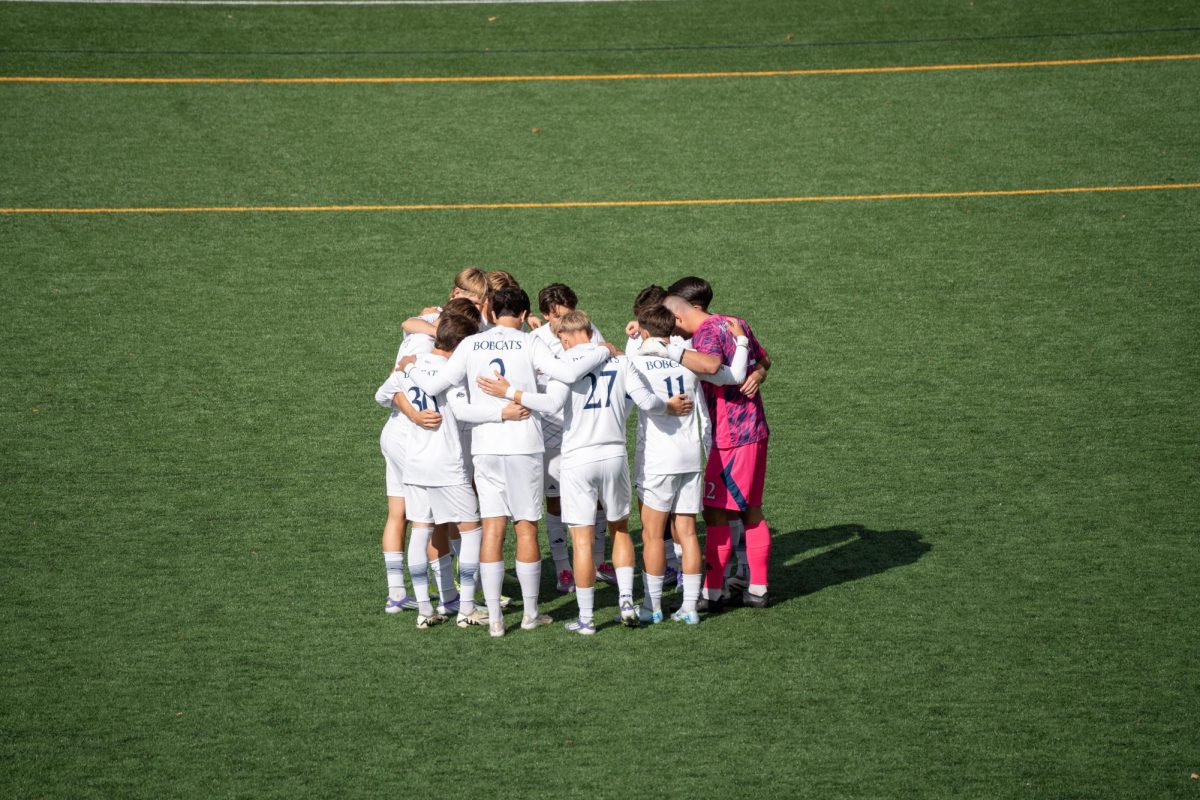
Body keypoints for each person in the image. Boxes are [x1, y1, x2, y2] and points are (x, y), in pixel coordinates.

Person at [398, 287, 613, 637]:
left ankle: (496, 621)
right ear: (525, 311)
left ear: (493, 313)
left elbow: (440, 387)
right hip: (525, 446)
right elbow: (567, 376)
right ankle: (530, 614)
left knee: (493, 527)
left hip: (486, 447)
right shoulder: (531, 343)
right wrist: (602, 349)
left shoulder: (470, 344)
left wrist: (408, 367)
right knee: (526, 526)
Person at [478, 310, 693, 634]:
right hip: (614, 455)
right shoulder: (621, 362)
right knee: (619, 530)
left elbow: (550, 405)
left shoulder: (565, 370)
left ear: (564, 338)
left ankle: (588, 619)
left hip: (577, 460)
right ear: (590, 331)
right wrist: (671, 407)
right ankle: (625, 600)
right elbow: (648, 402)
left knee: (581, 541)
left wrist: (510, 392)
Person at [377, 314, 529, 628]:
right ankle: (467, 608)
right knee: (472, 531)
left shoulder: (410, 365)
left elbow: (382, 396)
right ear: (460, 345)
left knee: (420, 531)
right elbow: (463, 411)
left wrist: (414, 414)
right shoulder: (451, 374)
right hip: (447, 466)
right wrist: (504, 412)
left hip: (414, 464)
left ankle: (423, 610)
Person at [629, 303, 751, 623]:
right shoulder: (688, 360)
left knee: (653, 535)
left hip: (656, 460)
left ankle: (651, 607)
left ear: (643, 332)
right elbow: (736, 375)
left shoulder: (635, 362)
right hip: (691, 457)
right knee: (687, 532)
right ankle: (689, 608)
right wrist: (741, 342)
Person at [657, 291, 773, 609]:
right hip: (755, 429)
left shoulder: (706, 334)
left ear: (679, 318)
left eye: (671, 325)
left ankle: (713, 591)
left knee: (715, 511)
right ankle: (757, 588)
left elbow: (711, 367)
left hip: (731, 436)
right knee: (750, 508)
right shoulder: (736, 322)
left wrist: (665, 350)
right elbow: (765, 360)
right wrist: (759, 373)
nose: (672, 332)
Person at [532, 283, 612, 593]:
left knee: (599, 500)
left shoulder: (590, 331)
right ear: (544, 314)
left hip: (587, 430)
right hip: (551, 433)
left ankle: (600, 560)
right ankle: (564, 567)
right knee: (556, 502)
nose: (563, 321)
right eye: (557, 316)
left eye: (569, 313)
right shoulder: (534, 342)